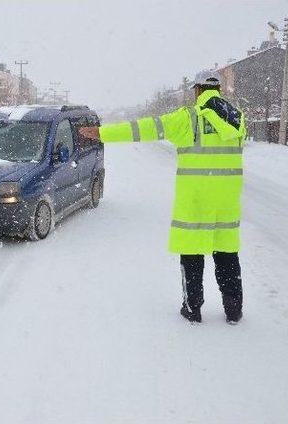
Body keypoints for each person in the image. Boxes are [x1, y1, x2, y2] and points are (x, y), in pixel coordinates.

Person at [80, 76, 246, 324]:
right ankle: (233, 310)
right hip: (227, 199)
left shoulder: (188, 117)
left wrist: (102, 133)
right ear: (219, 91)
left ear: (198, 90)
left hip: (196, 200)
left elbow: (144, 128)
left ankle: (193, 309)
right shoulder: (238, 118)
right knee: (226, 254)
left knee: (192, 254)